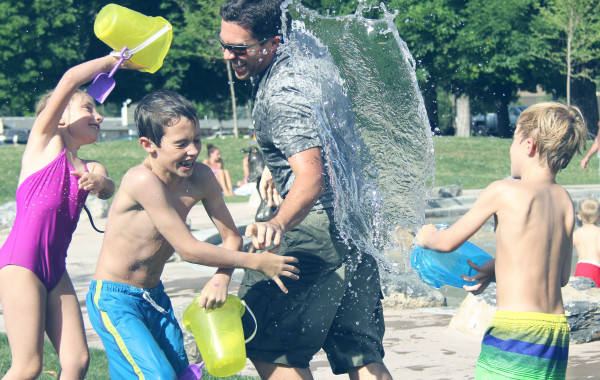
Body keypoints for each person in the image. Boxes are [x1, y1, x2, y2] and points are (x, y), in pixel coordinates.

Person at [219, 1, 393, 379]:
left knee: (266, 342)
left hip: (315, 228)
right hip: (357, 226)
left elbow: (311, 177)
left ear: (272, 42)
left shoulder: (281, 94)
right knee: (358, 349)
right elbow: (322, 136)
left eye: (238, 48)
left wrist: (278, 222)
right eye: (224, 44)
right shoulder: (309, 56)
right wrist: (273, 166)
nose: (227, 55)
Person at [85, 89, 299, 379]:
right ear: (149, 145)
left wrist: (222, 277)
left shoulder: (201, 177)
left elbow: (232, 236)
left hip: (154, 296)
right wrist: (257, 262)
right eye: (181, 143)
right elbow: (188, 249)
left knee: (181, 374)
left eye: (196, 139)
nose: (193, 150)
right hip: (115, 299)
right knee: (159, 376)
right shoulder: (142, 180)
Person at [416, 102, 587, 379]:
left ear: (529, 145)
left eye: (513, 140)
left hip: (516, 331)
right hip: (555, 334)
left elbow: (447, 242)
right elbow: (560, 276)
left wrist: (427, 236)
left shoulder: (503, 191)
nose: (510, 148)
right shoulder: (565, 201)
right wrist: (498, 267)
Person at [0, 56, 120, 379]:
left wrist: (100, 184)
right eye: (88, 110)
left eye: (98, 111)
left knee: (78, 360)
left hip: (55, 268)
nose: (99, 116)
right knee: (28, 366)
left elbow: (108, 188)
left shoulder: (90, 167)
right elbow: (69, 80)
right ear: (61, 118)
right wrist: (113, 60)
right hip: (21, 264)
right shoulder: (44, 144)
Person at [573, 198, 600, 287]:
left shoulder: (576, 234)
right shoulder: (598, 232)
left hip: (580, 268)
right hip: (595, 268)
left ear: (579, 216)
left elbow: (565, 253)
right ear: (599, 217)